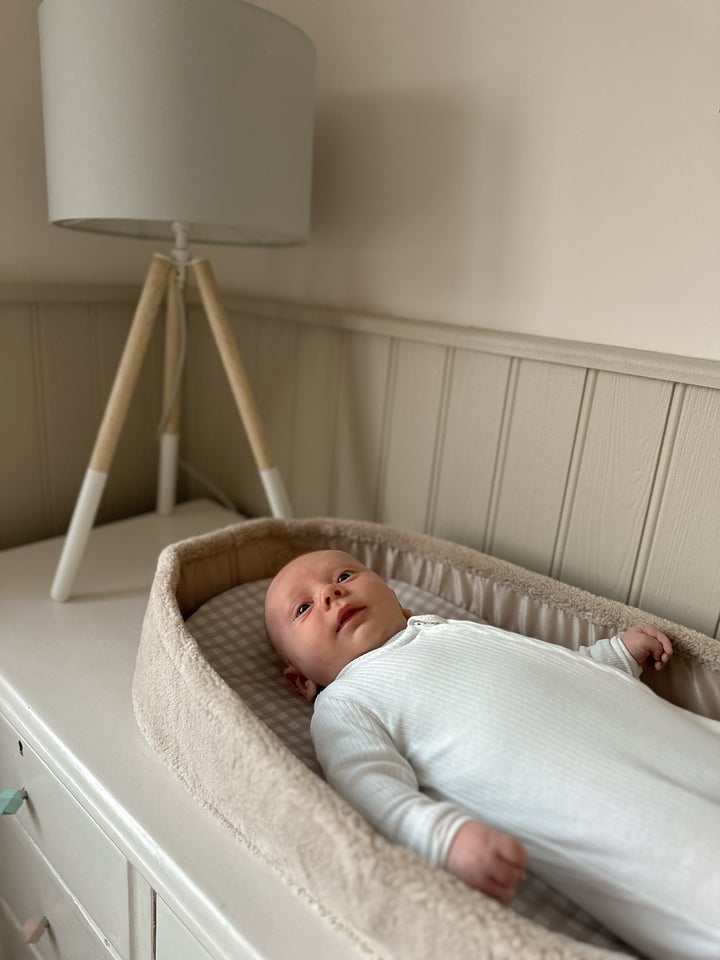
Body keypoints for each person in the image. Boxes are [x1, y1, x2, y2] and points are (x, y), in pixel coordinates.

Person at [264, 549, 720, 960]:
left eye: (345, 574)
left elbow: (546, 666)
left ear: (399, 603)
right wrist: (444, 838)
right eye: (303, 608)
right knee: (688, 860)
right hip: (596, 800)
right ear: (301, 680)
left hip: (650, 730)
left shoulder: (444, 629)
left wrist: (613, 655)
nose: (331, 592)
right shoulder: (345, 700)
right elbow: (370, 790)